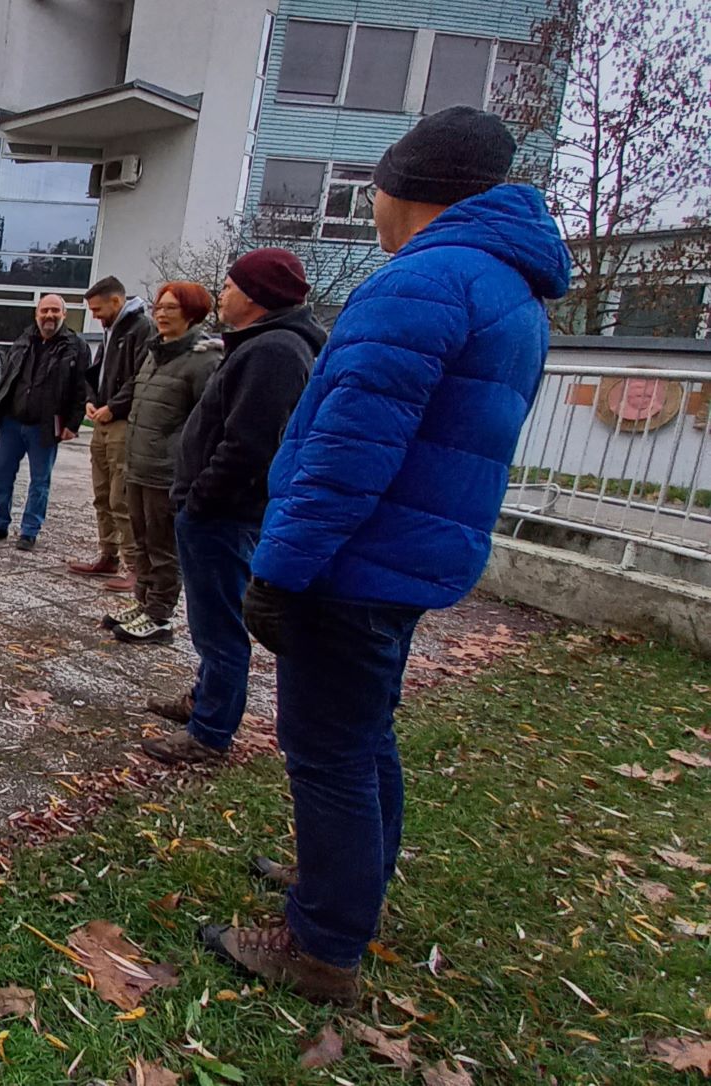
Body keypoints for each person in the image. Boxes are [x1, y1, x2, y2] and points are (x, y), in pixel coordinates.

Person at [201, 107, 570, 1004]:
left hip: (351, 565)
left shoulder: (424, 281)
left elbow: (345, 450)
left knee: (325, 751)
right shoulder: (505, 284)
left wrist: (280, 569)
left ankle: (322, 942)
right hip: (406, 559)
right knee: (364, 740)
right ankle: (350, 886)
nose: (370, 206)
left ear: (403, 190)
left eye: (373, 188)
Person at [140, 249, 323, 766]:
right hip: (215, 509)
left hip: (223, 513)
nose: (222, 294)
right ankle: (205, 699)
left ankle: (211, 732)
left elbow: (250, 445)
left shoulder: (275, 352)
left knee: (219, 625)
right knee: (209, 619)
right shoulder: (259, 345)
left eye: (228, 285)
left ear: (256, 295)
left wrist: (200, 498)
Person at [106, 282, 221, 642]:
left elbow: (208, 421)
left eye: (171, 307)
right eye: (158, 306)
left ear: (192, 312)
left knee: (162, 547)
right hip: (138, 465)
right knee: (140, 541)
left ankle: (159, 616)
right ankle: (142, 602)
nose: (161, 313)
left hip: (166, 473)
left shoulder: (204, 361)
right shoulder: (155, 353)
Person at [0, 294, 90, 550]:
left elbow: (82, 388)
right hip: (12, 423)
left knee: (40, 480)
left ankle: (29, 530)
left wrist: (73, 423)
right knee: (0, 474)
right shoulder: (24, 339)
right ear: (36, 314)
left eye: (55, 311)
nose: (49, 315)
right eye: (44, 310)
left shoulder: (76, 347)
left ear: (64, 314)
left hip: (45, 425)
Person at [69, 276, 153, 591]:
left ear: (116, 301)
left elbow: (140, 376)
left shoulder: (141, 328)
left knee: (122, 497)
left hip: (122, 423)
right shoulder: (111, 329)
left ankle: (134, 566)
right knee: (102, 493)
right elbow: (96, 371)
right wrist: (92, 400)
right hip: (102, 421)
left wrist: (114, 407)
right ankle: (108, 555)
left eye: (97, 308)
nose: (94, 316)